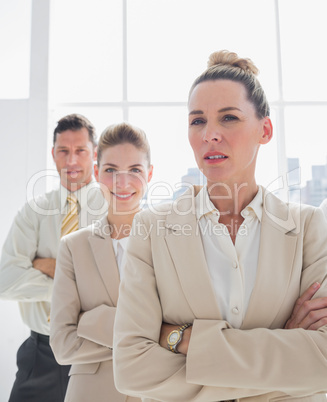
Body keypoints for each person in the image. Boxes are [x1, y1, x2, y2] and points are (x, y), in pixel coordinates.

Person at [113, 50, 327, 402]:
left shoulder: (308, 227)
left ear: (266, 129)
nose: (210, 134)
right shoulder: (151, 228)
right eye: (197, 121)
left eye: (228, 118)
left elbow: (321, 360)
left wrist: (181, 338)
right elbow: (131, 368)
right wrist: (285, 353)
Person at [0, 114, 107, 402]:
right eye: (63, 151)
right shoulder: (33, 212)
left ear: (94, 154)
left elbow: (117, 285)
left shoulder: (112, 209)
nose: (71, 160)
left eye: (80, 151)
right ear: (53, 154)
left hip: (97, 353)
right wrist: (78, 285)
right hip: (40, 353)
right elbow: (5, 281)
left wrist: (46, 266)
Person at [50, 122, 153, 402]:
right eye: (110, 170)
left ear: (149, 174)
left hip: (157, 392)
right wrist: (146, 339)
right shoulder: (73, 247)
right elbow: (62, 345)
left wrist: (93, 323)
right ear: (96, 173)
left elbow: (184, 330)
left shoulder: (171, 243)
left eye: (134, 170)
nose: (122, 182)